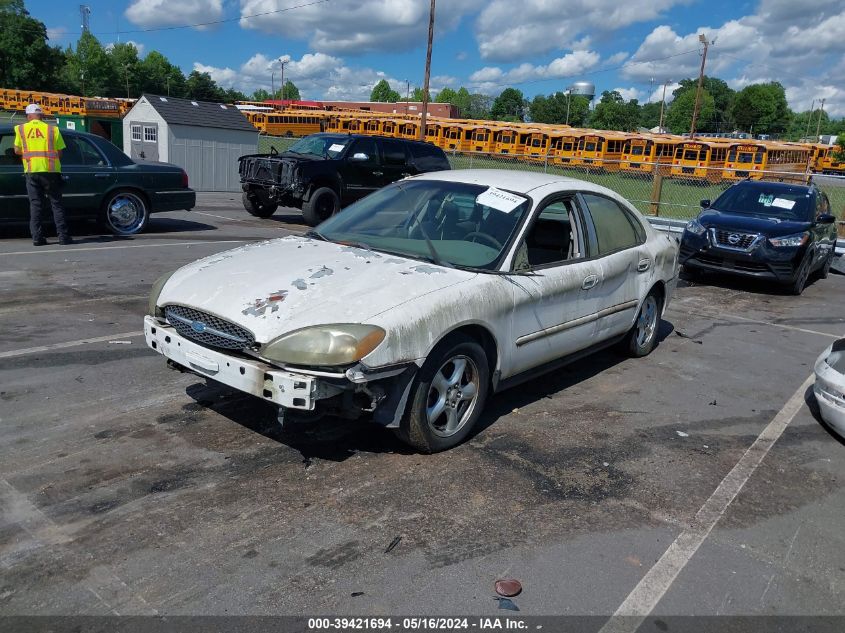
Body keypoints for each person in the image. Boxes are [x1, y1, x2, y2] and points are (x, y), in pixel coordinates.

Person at [13, 104, 72, 246]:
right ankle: (63, 237)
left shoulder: (21, 129)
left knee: (35, 205)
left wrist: (29, 155)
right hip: (51, 172)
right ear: (41, 115)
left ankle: (37, 238)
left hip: (31, 171)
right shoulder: (52, 129)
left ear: (28, 116)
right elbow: (60, 153)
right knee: (56, 204)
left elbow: (16, 150)